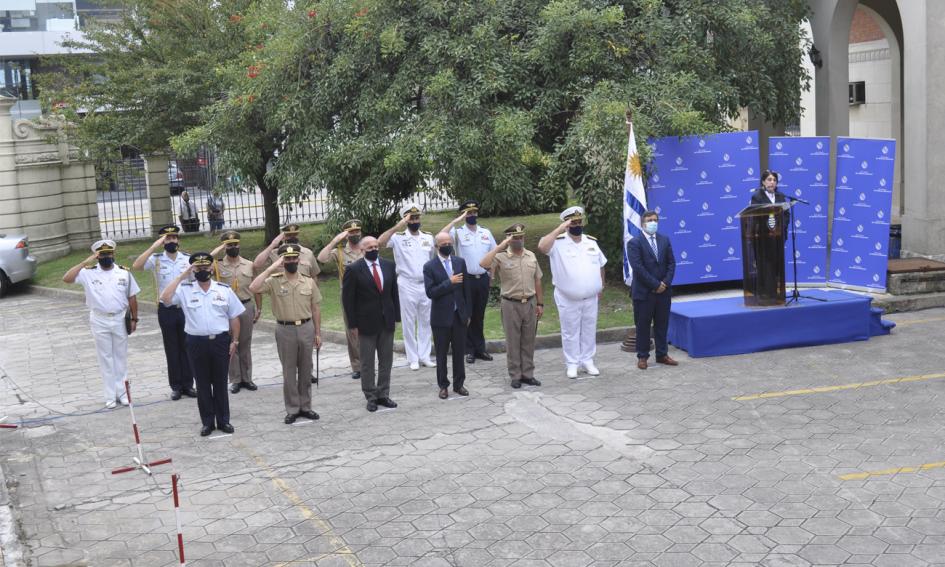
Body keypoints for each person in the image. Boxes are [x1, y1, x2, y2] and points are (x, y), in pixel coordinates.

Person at [160, 253, 244, 437]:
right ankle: (207, 422)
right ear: (193, 270)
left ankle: (223, 421)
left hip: (220, 341)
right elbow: (165, 298)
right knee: (203, 384)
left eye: (206, 267)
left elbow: (234, 317)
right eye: (197, 268)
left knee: (221, 383)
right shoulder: (185, 289)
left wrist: (235, 341)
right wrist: (182, 275)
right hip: (195, 343)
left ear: (212, 268)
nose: (203, 271)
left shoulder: (223, 289)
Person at [249, 244, 323, 424]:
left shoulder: (308, 281)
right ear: (282, 261)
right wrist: (272, 267)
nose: (291, 261)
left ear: (298, 259)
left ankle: (306, 406)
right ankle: (292, 408)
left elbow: (315, 308)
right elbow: (253, 287)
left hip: (306, 328)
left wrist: (318, 333)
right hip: (285, 329)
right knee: (289, 371)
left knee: (306, 370)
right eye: (287, 259)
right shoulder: (274, 280)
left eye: (294, 258)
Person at [62, 240, 141, 409]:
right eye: (102, 254)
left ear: (114, 254)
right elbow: (67, 278)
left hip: (120, 318)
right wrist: (85, 262)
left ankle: (123, 393)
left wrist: (134, 319)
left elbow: (132, 297)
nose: (106, 257)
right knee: (105, 358)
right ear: (97, 256)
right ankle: (110, 396)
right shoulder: (87, 272)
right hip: (99, 319)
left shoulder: (124, 273)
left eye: (109, 253)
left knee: (120, 357)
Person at [538, 206, 607, 379]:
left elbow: (601, 264)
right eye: (572, 222)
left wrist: (601, 286)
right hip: (567, 297)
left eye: (579, 221)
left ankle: (588, 360)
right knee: (570, 331)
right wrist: (559, 230)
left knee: (589, 329)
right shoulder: (557, 242)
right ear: (566, 224)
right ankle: (572, 363)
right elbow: (541, 247)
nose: (577, 225)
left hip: (591, 296)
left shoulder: (591, 242)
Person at [132, 224, 197, 400]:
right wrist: (153, 246)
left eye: (174, 237)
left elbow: (195, 282)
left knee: (187, 347)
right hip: (166, 310)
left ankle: (188, 385)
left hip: (185, 309)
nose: (171, 241)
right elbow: (137, 266)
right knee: (172, 348)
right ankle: (176, 386)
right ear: (162, 241)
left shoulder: (187, 259)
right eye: (167, 239)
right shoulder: (157, 259)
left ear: (178, 240)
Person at [479, 223, 544, 389]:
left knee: (528, 341)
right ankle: (515, 375)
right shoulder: (500, 257)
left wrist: (540, 303)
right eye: (515, 238)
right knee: (513, 341)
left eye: (521, 237)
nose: (519, 240)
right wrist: (501, 245)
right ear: (509, 239)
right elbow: (483, 263)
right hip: (510, 304)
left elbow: (537, 280)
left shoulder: (531, 256)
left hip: (529, 302)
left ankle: (528, 374)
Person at [341, 236, 400, 412]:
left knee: (386, 360)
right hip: (365, 323)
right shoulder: (353, 269)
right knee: (367, 362)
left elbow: (393, 293)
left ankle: (383, 393)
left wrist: (396, 316)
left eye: (376, 246)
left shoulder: (389, 265)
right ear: (361, 250)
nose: (374, 250)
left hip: (386, 320)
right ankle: (371, 396)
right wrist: (352, 324)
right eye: (370, 248)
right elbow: (348, 300)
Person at [378, 203, 436, 371]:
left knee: (426, 321)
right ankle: (413, 358)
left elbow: (430, 258)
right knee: (409, 322)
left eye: (417, 217)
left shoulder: (428, 237)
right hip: (406, 283)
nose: (415, 221)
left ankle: (425, 355)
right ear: (405, 219)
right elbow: (380, 242)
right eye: (411, 218)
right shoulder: (398, 237)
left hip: (425, 283)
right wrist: (399, 225)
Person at [441, 199, 496, 364]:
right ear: (463, 214)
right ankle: (469, 349)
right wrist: (456, 221)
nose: (472, 215)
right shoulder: (457, 232)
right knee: (467, 315)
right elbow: (440, 235)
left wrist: (492, 275)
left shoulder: (485, 232)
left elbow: (495, 252)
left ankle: (480, 348)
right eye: (468, 213)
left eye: (474, 212)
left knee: (479, 315)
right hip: (466, 280)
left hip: (482, 279)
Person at [210, 231, 261, 393]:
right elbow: (200, 263)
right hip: (227, 309)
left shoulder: (249, 264)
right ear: (224, 247)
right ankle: (235, 379)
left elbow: (256, 287)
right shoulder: (217, 265)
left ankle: (247, 378)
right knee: (231, 343)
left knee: (245, 343)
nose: (233, 247)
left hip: (246, 306)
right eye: (229, 245)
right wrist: (218, 249)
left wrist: (259, 307)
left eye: (235, 244)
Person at [626, 211, 678, 370]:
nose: (653, 223)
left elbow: (671, 264)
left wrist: (665, 283)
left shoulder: (664, 240)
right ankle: (642, 356)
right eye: (649, 220)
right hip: (644, 293)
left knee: (662, 324)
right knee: (643, 325)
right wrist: (655, 284)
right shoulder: (634, 242)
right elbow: (638, 268)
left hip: (664, 292)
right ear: (643, 223)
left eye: (655, 220)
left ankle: (662, 354)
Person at [424, 232, 472, 400]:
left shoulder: (460, 262)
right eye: (443, 244)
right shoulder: (430, 266)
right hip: (440, 318)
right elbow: (431, 292)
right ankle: (443, 386)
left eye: (449, 243)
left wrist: (467, 313)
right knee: (442, 354)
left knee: (459, 353)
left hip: (459, 316)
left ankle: (459, 384)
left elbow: (467, 290)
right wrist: (449, 282)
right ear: (437, 246)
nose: (447, 246)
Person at [317, 219, 365, 381]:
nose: (355, 234)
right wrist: (335, 241)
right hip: (349, 296)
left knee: (370, 329)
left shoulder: (367, 248)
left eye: (357, 231)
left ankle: (369, 362)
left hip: (368, 294)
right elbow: (322, 258)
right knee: (352, 331)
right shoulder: (339, 252)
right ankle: (357, 366)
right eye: (351, 232)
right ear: (345, 235)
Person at [253, 223, 321, 278]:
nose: (292, 237)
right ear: (283, 237)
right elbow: (256, 264)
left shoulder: (308, 253)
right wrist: (273, 244)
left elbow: (314, 277)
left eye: (295, 234)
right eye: (288, 235)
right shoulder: (275, 253)